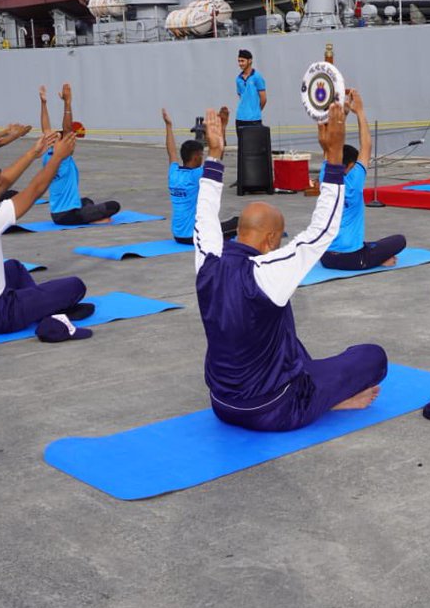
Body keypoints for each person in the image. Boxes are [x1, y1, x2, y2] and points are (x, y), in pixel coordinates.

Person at [195, 104, 388, 432]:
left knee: (279, 326)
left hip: (222, 404)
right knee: (373, 357)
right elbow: (321, 232)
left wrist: (214, 155)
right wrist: (335, 157)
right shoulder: (267, 273)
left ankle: (322, 391)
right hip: (274, 408)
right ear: (270, 239)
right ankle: (327, 400)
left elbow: (205, 213)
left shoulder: (207, 261)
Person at [0, 130, 93, 337]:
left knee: (13, 268)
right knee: (74, 286)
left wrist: (33, 153)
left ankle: (41, 310)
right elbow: (35, 189)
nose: (1, 189)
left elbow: (2, 181)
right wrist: (57, 157)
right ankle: (47, 314)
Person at [319, 88, 406, 270]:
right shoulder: (354, 181)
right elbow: (366, 145)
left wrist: (342, 114)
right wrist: (359, 111)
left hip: (325, 257)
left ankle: (372, 254)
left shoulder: (324, 177)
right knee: (399, 241)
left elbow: (329, 145)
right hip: (352, 259)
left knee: (367, 243)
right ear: (350, 166)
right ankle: (375, 259)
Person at [38, 83, 120, 225]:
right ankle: (92, 219)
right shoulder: (62, 157)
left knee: (87, 201)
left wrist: (43, 103)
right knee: (114, 206)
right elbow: (68, 129)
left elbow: (46, 129)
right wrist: (67, 103)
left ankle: (91, 216)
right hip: (67, 215)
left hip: (57, 214)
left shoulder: (48, 155)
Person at [163, 106, 237, 244]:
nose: (203, 157)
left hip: (177, 235)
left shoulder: (174, 173)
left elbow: (171, 151)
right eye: (201, 155)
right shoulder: (196, 175)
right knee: (239, 222)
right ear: (196, 157)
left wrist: (168, 126)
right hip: (195, 236)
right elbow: (217, 156)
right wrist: (223, 126)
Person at [234, 49, 266, 131]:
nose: (240, 63)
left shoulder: (257, 77)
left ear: (250, 61)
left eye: (242, 61)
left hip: (254, 120)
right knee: (242, 143)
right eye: (239, 61)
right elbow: (241, 96)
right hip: (240, 118)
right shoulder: (238, 79)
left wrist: (255, 111)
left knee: (255, 143)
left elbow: (263, 99)